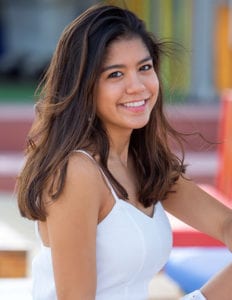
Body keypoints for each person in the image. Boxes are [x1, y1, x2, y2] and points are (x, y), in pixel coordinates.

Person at [16, 3, 232, 300]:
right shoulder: (76, 173)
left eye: (144, 68)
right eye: (115, 74)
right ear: (84, 87)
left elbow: (224, 223)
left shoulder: (145, 163)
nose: (137, 86)